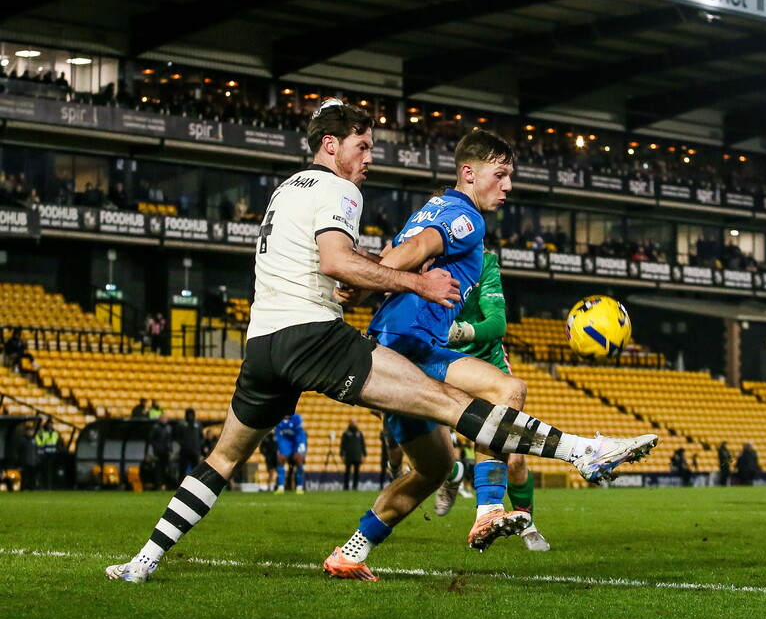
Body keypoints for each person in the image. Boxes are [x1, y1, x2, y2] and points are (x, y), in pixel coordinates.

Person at [105, 99, 656, 585]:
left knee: (224, 458)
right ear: (331, 146)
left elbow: (335, 264)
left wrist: (363, 275)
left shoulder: (285, 189)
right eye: (362, 146)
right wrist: (415, 281)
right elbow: (338, 260)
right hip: (314, 338)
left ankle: (144, 559)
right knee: (462, 401)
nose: (369, 157)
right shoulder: (340, 188)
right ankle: (583, 452)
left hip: (262, 344)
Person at [329, 130, 551, 566]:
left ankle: (351, 552)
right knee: (507, 391)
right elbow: (415, 249)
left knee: (431, 471)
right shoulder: (465, 217)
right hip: (410, 349)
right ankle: (488, 510)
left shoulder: (432, 207)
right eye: (500, 174)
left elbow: (399, 253)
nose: (507, 186)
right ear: (469, 173)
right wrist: (360, 278)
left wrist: (365, 279)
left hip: (392, 347)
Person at [440, 248, 550, 551]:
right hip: (441, 366)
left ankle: (527, 524)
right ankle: (452, 476)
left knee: (513, 458)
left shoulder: (484, 261)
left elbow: (498, 323)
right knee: (426, 454)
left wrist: (460, 331)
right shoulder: (420, 256)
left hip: (489, 367)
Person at [274, 413, 307, 494]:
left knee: (298, 459)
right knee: (280, 459)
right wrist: (281, 448)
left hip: (298, 439)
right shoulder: (277, 420)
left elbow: (299, 434)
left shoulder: (296, 418)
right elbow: (279, 436)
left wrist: (299, 450)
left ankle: (299, 487)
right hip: (285, 441)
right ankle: (281, 487)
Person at [176, 408, 204, 480]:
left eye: (191, 414)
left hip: (195, 451)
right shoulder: (181, 424)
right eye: (189, 414)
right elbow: (177, 436)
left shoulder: (198, 424)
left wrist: (198, 446)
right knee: (182, 469)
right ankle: (180, 485)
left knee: (196, 470)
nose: (190, 416)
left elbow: (201, 437)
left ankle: (195, 486)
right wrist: (183, 444)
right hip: (184, 451)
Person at [147, 413, 174, 490]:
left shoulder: (169, 428)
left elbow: (170, 440)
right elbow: (151, 439)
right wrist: (156, 448)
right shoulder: (156, 427)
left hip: (166, 451)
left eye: (165, 418)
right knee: (158, 468)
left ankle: (165, 484)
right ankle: (159, 484)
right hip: (158, 452)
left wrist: (170, 450)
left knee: (166, 468)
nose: (164, 420)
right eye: (162, 418)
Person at [340, 419, 366, 491]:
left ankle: (355, 486)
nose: (353, 423)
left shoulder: (359, 433)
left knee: (356, 473)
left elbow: (363, 444)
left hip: (357, 456)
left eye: (354, 422)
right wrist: (342, 455)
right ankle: (346, 487)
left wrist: (364, 454)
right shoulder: (346, 433)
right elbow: (342, 445)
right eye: (352, 422)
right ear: (349, 423)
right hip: (348, 456)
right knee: (347, 472)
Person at [34, 417, 59, 489]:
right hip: (45, 455)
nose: (50, 425)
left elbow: (57, 443)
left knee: (51, 471)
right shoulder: (43, 432)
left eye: (51, 424)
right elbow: (40, 442)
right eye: (49, 424)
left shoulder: (55, 433)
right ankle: (45, 485)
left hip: (53, 455)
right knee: (44, 471)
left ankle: (50, 485)